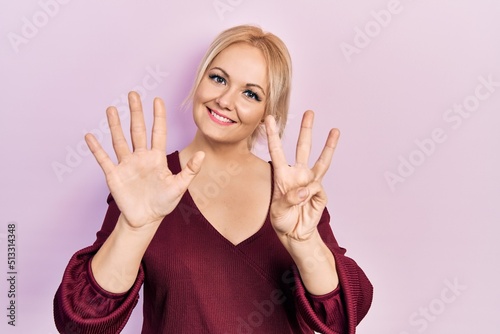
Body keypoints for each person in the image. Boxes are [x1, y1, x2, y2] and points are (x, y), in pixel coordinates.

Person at [53, 25, 373, 334]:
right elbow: (80, 323)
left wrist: (306, 244)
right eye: (218, 78)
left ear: (267, 112)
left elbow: (343, 317)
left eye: (250, 93)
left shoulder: (291, 193)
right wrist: (134, 229)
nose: (225, 100)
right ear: (200, 80)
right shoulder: (148, 182)